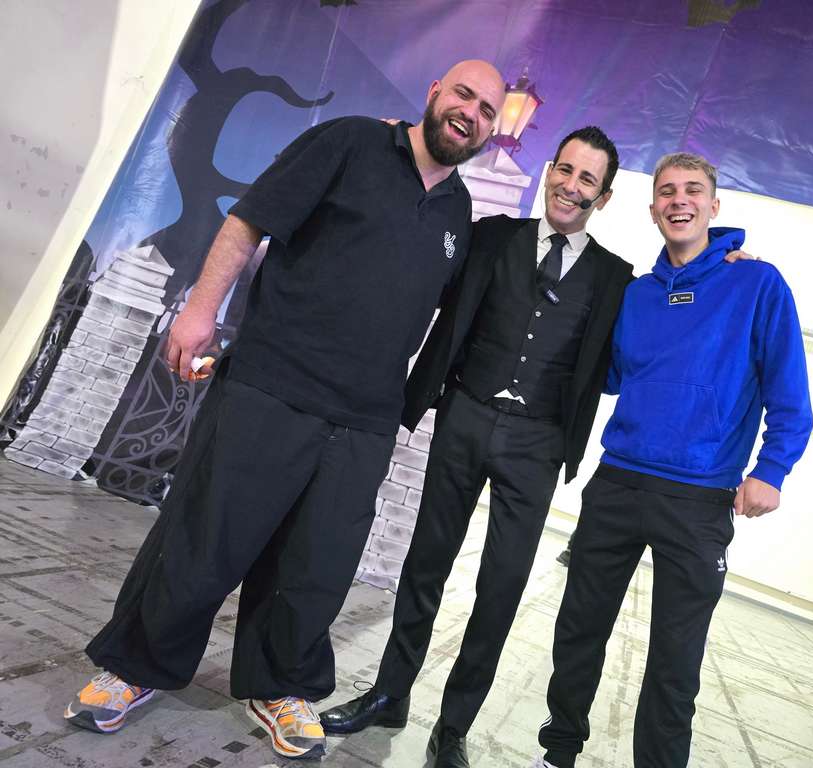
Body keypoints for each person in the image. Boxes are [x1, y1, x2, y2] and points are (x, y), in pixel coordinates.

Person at [63, 59, 506, 762]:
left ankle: (280, 686)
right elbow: (249, 219)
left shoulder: (457, 210)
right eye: (463, 94)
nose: (470, 114)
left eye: (486, 110)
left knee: (315, 568)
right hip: (273, 382)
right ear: (433, 93)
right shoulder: (351, 141)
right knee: (204, 540)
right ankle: (136, 665)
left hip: (363, 419)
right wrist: (200, 311)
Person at [318, 126, 633, 768]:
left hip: (538, 443)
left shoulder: (616, 278)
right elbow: (422, 273)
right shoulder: (492, 237)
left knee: (501, 587)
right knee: (425, 565)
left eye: (587, 179)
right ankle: (390, 694)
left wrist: (727, 262)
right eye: (564, 169)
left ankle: (454, 727)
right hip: (464, 416)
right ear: (549, 171)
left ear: (602, 198)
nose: (570, 186)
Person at [531, 152, 813, 768]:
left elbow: (790, 393)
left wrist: (771, 470)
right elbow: (606, 376)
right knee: (578, 629)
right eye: (666, 191)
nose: (678, 200)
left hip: (700, 497)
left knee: (675, 658)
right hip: (618, 483)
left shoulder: (757, 284)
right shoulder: (636, 295)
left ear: (713, 206)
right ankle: (558, 752)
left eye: (692, 190)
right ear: (653, 209)